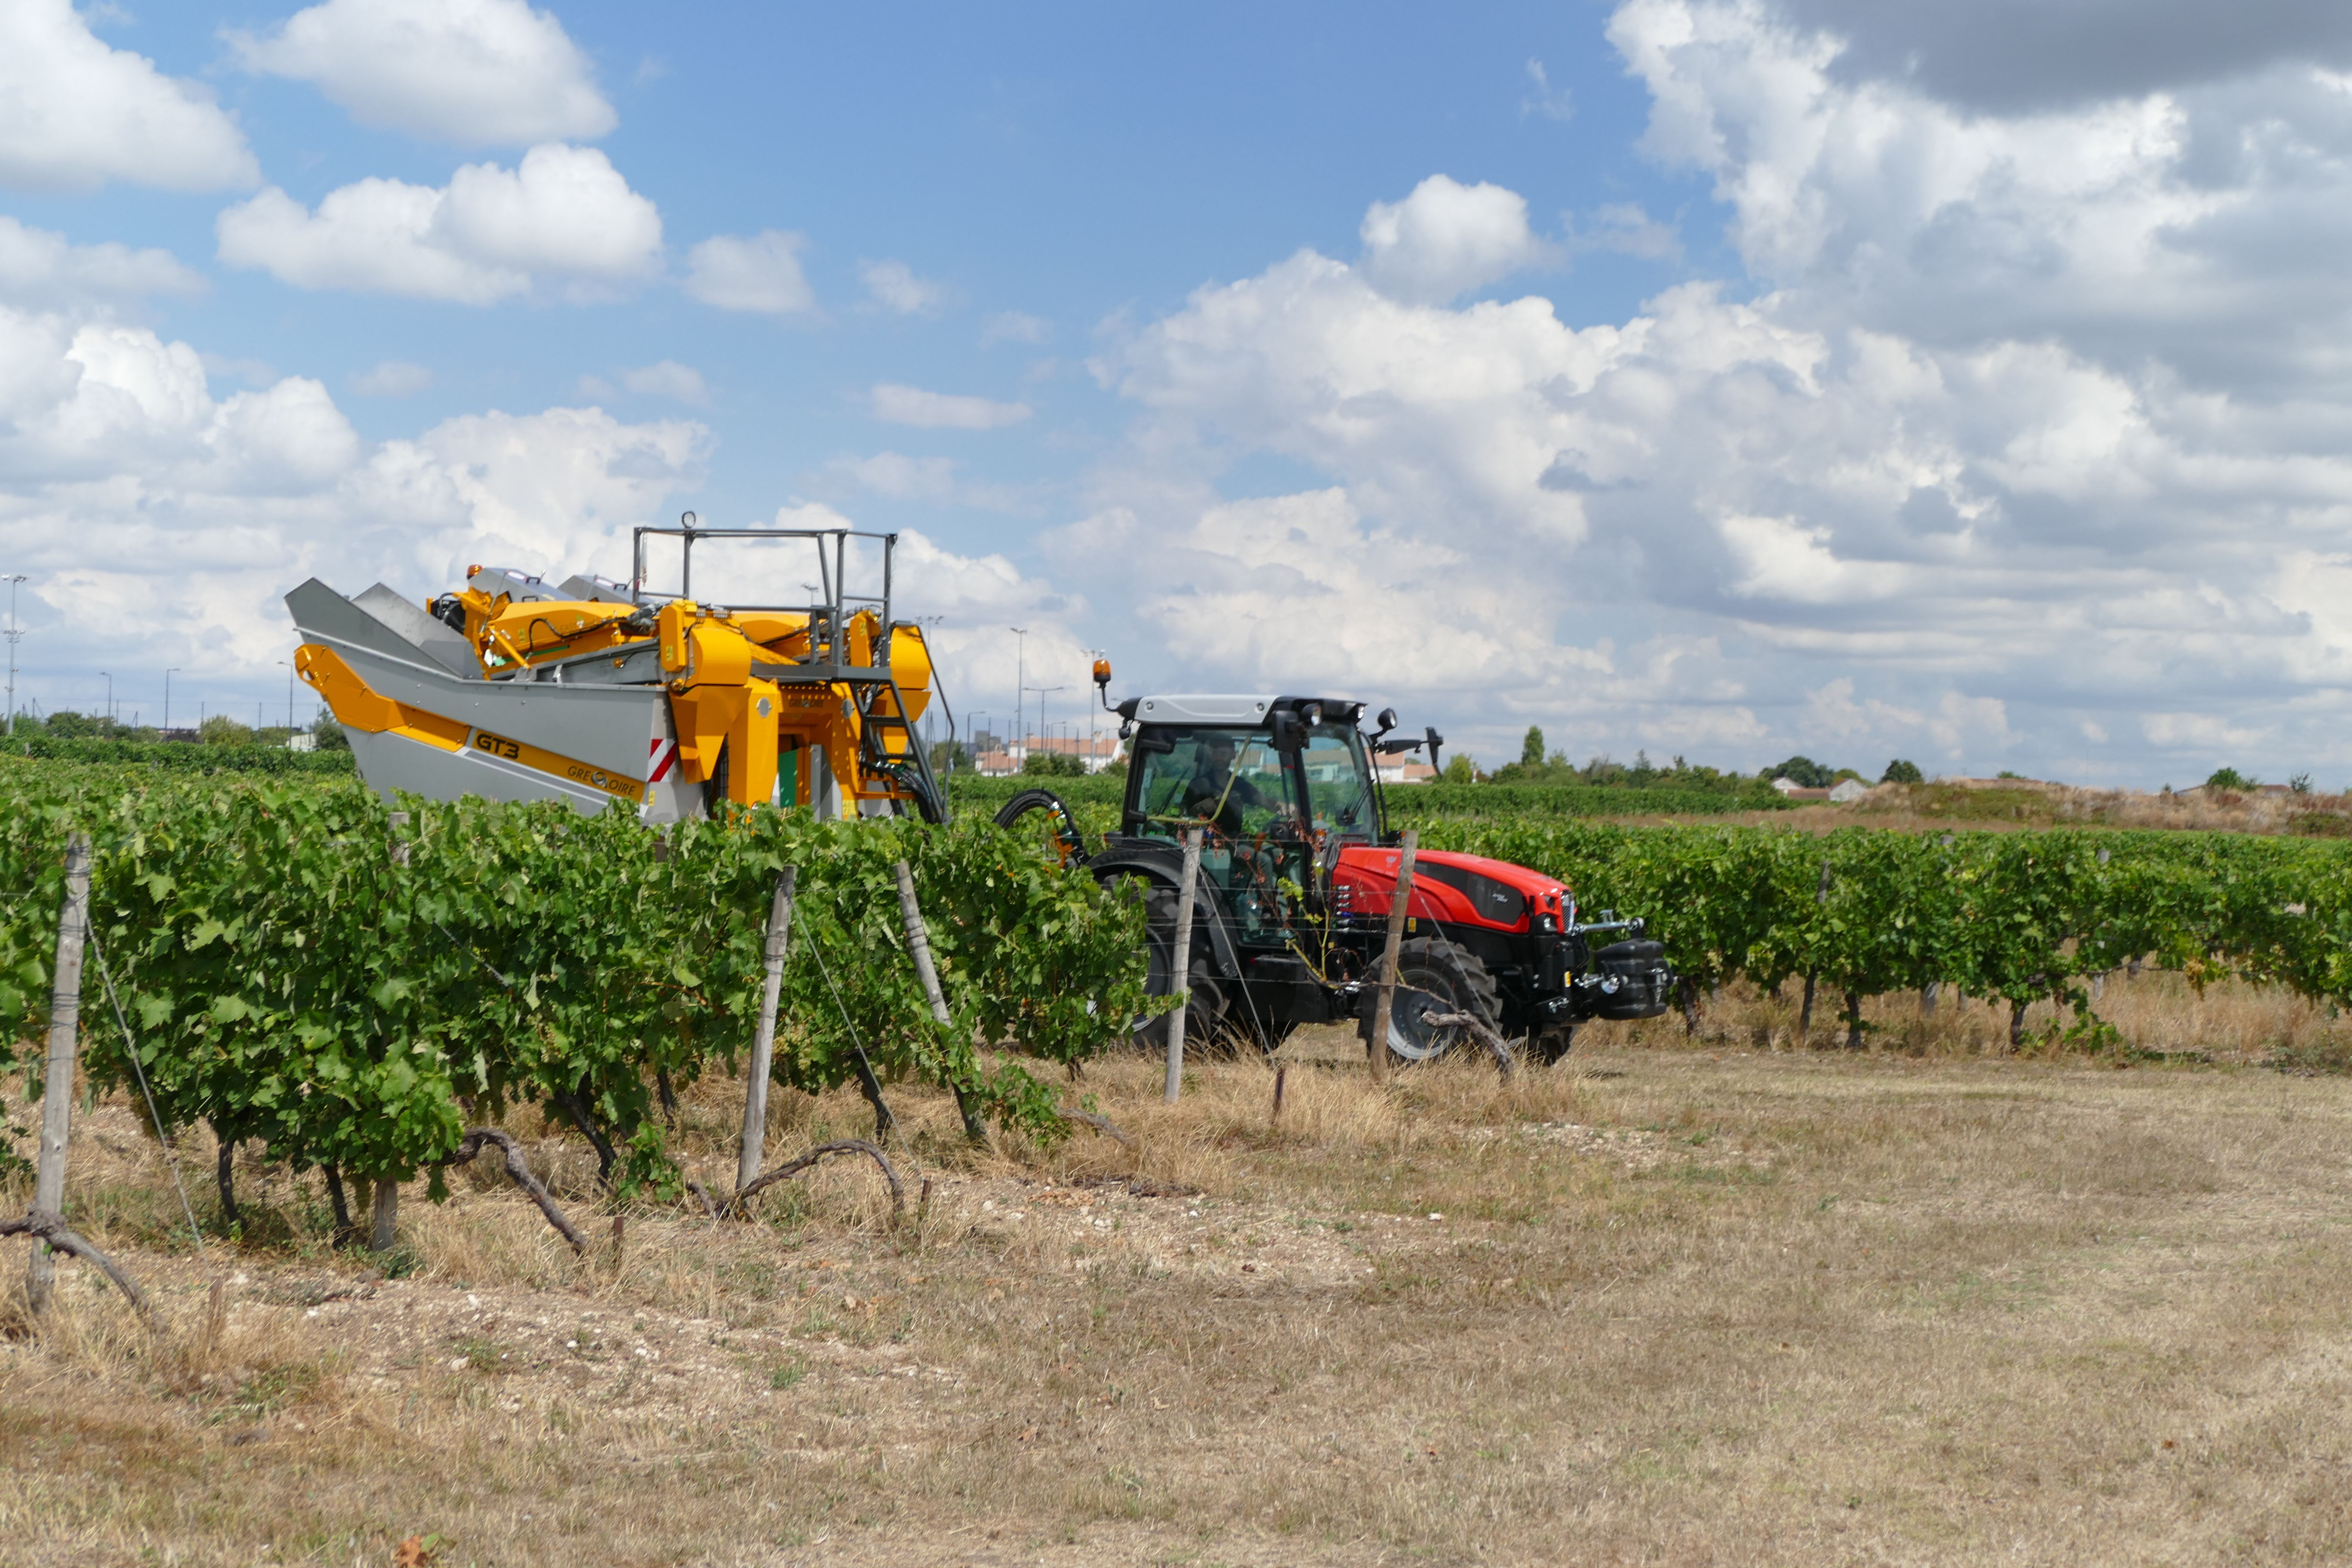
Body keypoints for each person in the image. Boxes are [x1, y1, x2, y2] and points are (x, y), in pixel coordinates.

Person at [1182, 732, 1289, 835]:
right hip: (1202, 842)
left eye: (1223, 753)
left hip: (1234, 841)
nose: (1218, 758)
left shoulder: (1240, 785)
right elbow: (1182, 814)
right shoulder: (1198, 785)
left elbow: (1263, 800)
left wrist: (1281, 806)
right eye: (1215, 753)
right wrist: (1199, 808)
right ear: (1210, 754)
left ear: (1234, 755)